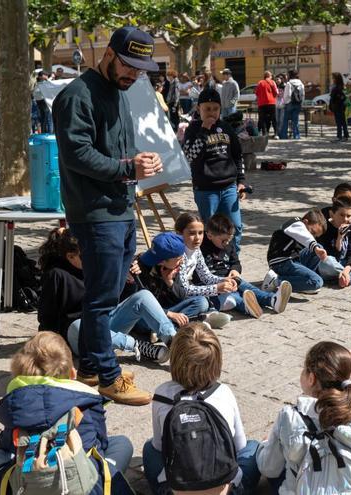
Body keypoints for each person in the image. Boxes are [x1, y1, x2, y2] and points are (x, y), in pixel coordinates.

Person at [51, 25, 162, 405]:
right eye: (129, 65)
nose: (134, 74)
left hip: (119, 207)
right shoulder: (75, 96)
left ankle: (90, 369)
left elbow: (116, 151)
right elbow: (77, 154)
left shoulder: (119, 92)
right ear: (109, 54)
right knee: (100, 300)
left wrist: (142, 162)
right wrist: (130, 168)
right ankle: (109, 377)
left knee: (109, 294)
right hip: (96, 212)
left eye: (140, 69)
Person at [0, 332, 133, 482]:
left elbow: (6, 446)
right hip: (79, 482)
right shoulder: (87, 401)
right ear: (72, 374)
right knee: (121, 443)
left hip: (31, 482)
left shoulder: (17, 405)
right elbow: (100, 443)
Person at [257, 341, 351, 493]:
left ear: (311, 378)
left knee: (278, 456)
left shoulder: (289, 416)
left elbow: (269, 469)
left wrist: (265, 444)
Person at [143, 324, 261, 495]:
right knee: (253, 447)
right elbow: (239, 445)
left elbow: (159, 446)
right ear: (216, 361)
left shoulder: (162, 394)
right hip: (226, 491)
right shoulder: (224, 392)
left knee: (149, 448)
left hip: (174, 490)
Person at [36, 227, 171, 365]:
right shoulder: (56, 275)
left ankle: (177, 343)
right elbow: (46, 316)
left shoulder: (98, 265)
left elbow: (117, 300)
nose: (93, 259)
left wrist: (128, 279)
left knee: (143, 296)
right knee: (80, 325)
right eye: (86, 256)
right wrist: (49, 346)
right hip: (78, 336)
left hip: (104, 325)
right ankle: (138, 346)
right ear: (70, 256)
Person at [174, 212, 291, 319]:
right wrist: (217, 288)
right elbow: (185, 289)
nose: (198, 238)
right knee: (204, 302)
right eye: (192, 233)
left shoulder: (196, 250)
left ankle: (269, 300)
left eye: (200, 233)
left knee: (234, 288)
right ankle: (203, 315)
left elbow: (206, 276)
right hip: (172, 296)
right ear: (180, 233)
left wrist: (225, 279)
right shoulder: (178, 254)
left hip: (195, 289)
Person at [181, 87, 248, 254]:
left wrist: (241, 181)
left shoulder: (226, 128)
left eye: (215, 109)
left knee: (235, 226)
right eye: (207, 109)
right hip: (206, 190)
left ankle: (233, 260)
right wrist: (204, 130)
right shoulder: (193, 129)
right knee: (210, 230)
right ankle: (210, 261)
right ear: (199, 109)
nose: (212, 112)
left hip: (228, 187)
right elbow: (191, 156)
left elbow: (237, 156)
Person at [134, 232, 222, 329]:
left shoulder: (174, 266)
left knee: (202, 302)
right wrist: (170, 314)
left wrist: (169, 282)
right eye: (179, 259)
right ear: (162, 261)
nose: (182, 261)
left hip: (167, 308)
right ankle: (178, 326)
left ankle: (167, 328)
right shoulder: (138, 270)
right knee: (142, 322)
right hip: (148, 314)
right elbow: (141, 305)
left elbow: (182, 296)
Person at [262, 209, 328, 295]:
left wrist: (317, 248)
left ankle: (302, 282)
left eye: (315, 235)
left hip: (292, 259)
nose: (313, 236)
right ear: (305, 222)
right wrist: (315, 247)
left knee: (319, 247)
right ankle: (275, 281)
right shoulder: (296, 224)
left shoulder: (299, 225)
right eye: (312, 232)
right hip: (281, 263)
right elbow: (306, 236)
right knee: (317, 282)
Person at [279, 69, 304, 140]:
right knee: (295, 120)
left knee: (285, 120)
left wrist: (285, 103)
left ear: (290, 75)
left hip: (289, 103)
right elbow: (302, 95)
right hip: (297, 103)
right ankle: (296, 135)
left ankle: (284, 135)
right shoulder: (301, 84)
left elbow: (287, 95)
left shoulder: (289, 84)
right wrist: (301, 103)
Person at [255, 71, 278, 137]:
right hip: (271, 102)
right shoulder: (272, 82)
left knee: (262, 119)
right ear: (270, 76)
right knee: (273, 118)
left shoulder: (260, 82)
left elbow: (257, 93)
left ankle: (264, 133)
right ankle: (276, 133)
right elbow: (276, 92)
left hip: (262, 104)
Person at [329, 72, 349, 142]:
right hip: (338, 107)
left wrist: (337, 99)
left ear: (336, 79)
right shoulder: (338, 86)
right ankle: (344, 136)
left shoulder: (339, 87)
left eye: (333, 78)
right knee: (342, 122)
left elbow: (342, 97)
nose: (332, 79)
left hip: (339, 107)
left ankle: (340, 136)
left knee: (340, 122)